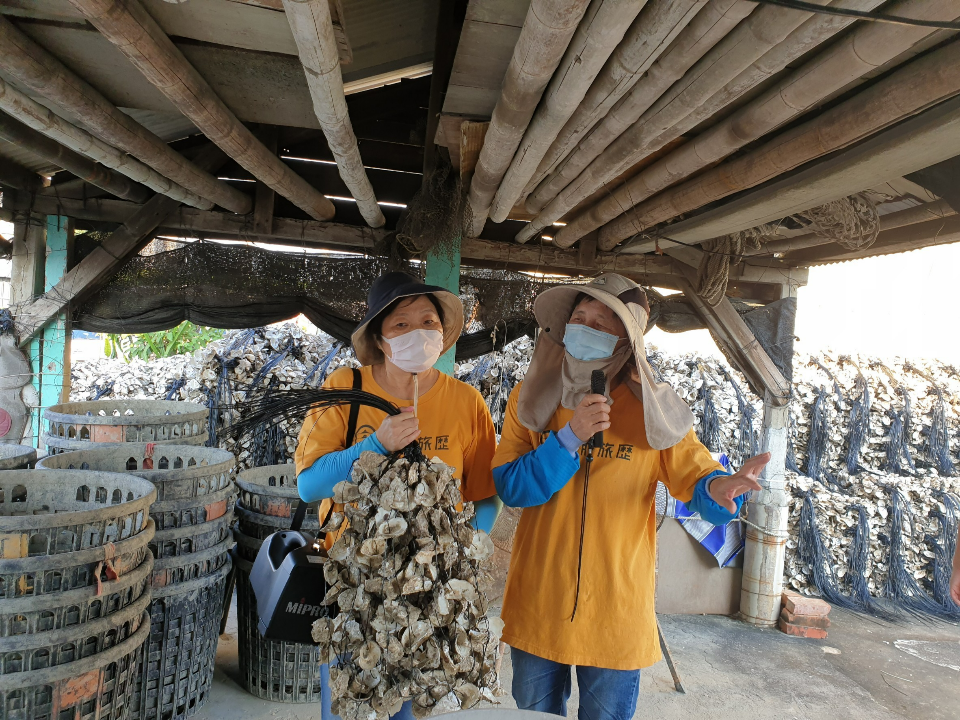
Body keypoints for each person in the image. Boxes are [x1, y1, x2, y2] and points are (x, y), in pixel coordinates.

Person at [492, 273, 770, 720]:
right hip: (538, 600)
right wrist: (567, 439)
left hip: (615, 610)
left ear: (628, 342)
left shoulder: (653, 411)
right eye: (579, 318)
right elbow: (511, 487)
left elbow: (696, 477)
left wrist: (720, 488)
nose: (585, 328)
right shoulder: (530, 399)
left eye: (602, 324)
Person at [294, 271, 502, 720]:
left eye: (428, 322)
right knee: (355, 704)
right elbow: (308, 485)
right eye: (401, 325)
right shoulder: (344, 389)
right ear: (380, 339)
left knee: (412, 711)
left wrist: (458, 557)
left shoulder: (467, 403)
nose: (418, 333)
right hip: (357, 590)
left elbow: (486, 497)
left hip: (429, 602)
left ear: (441, 335)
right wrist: (375, 445)